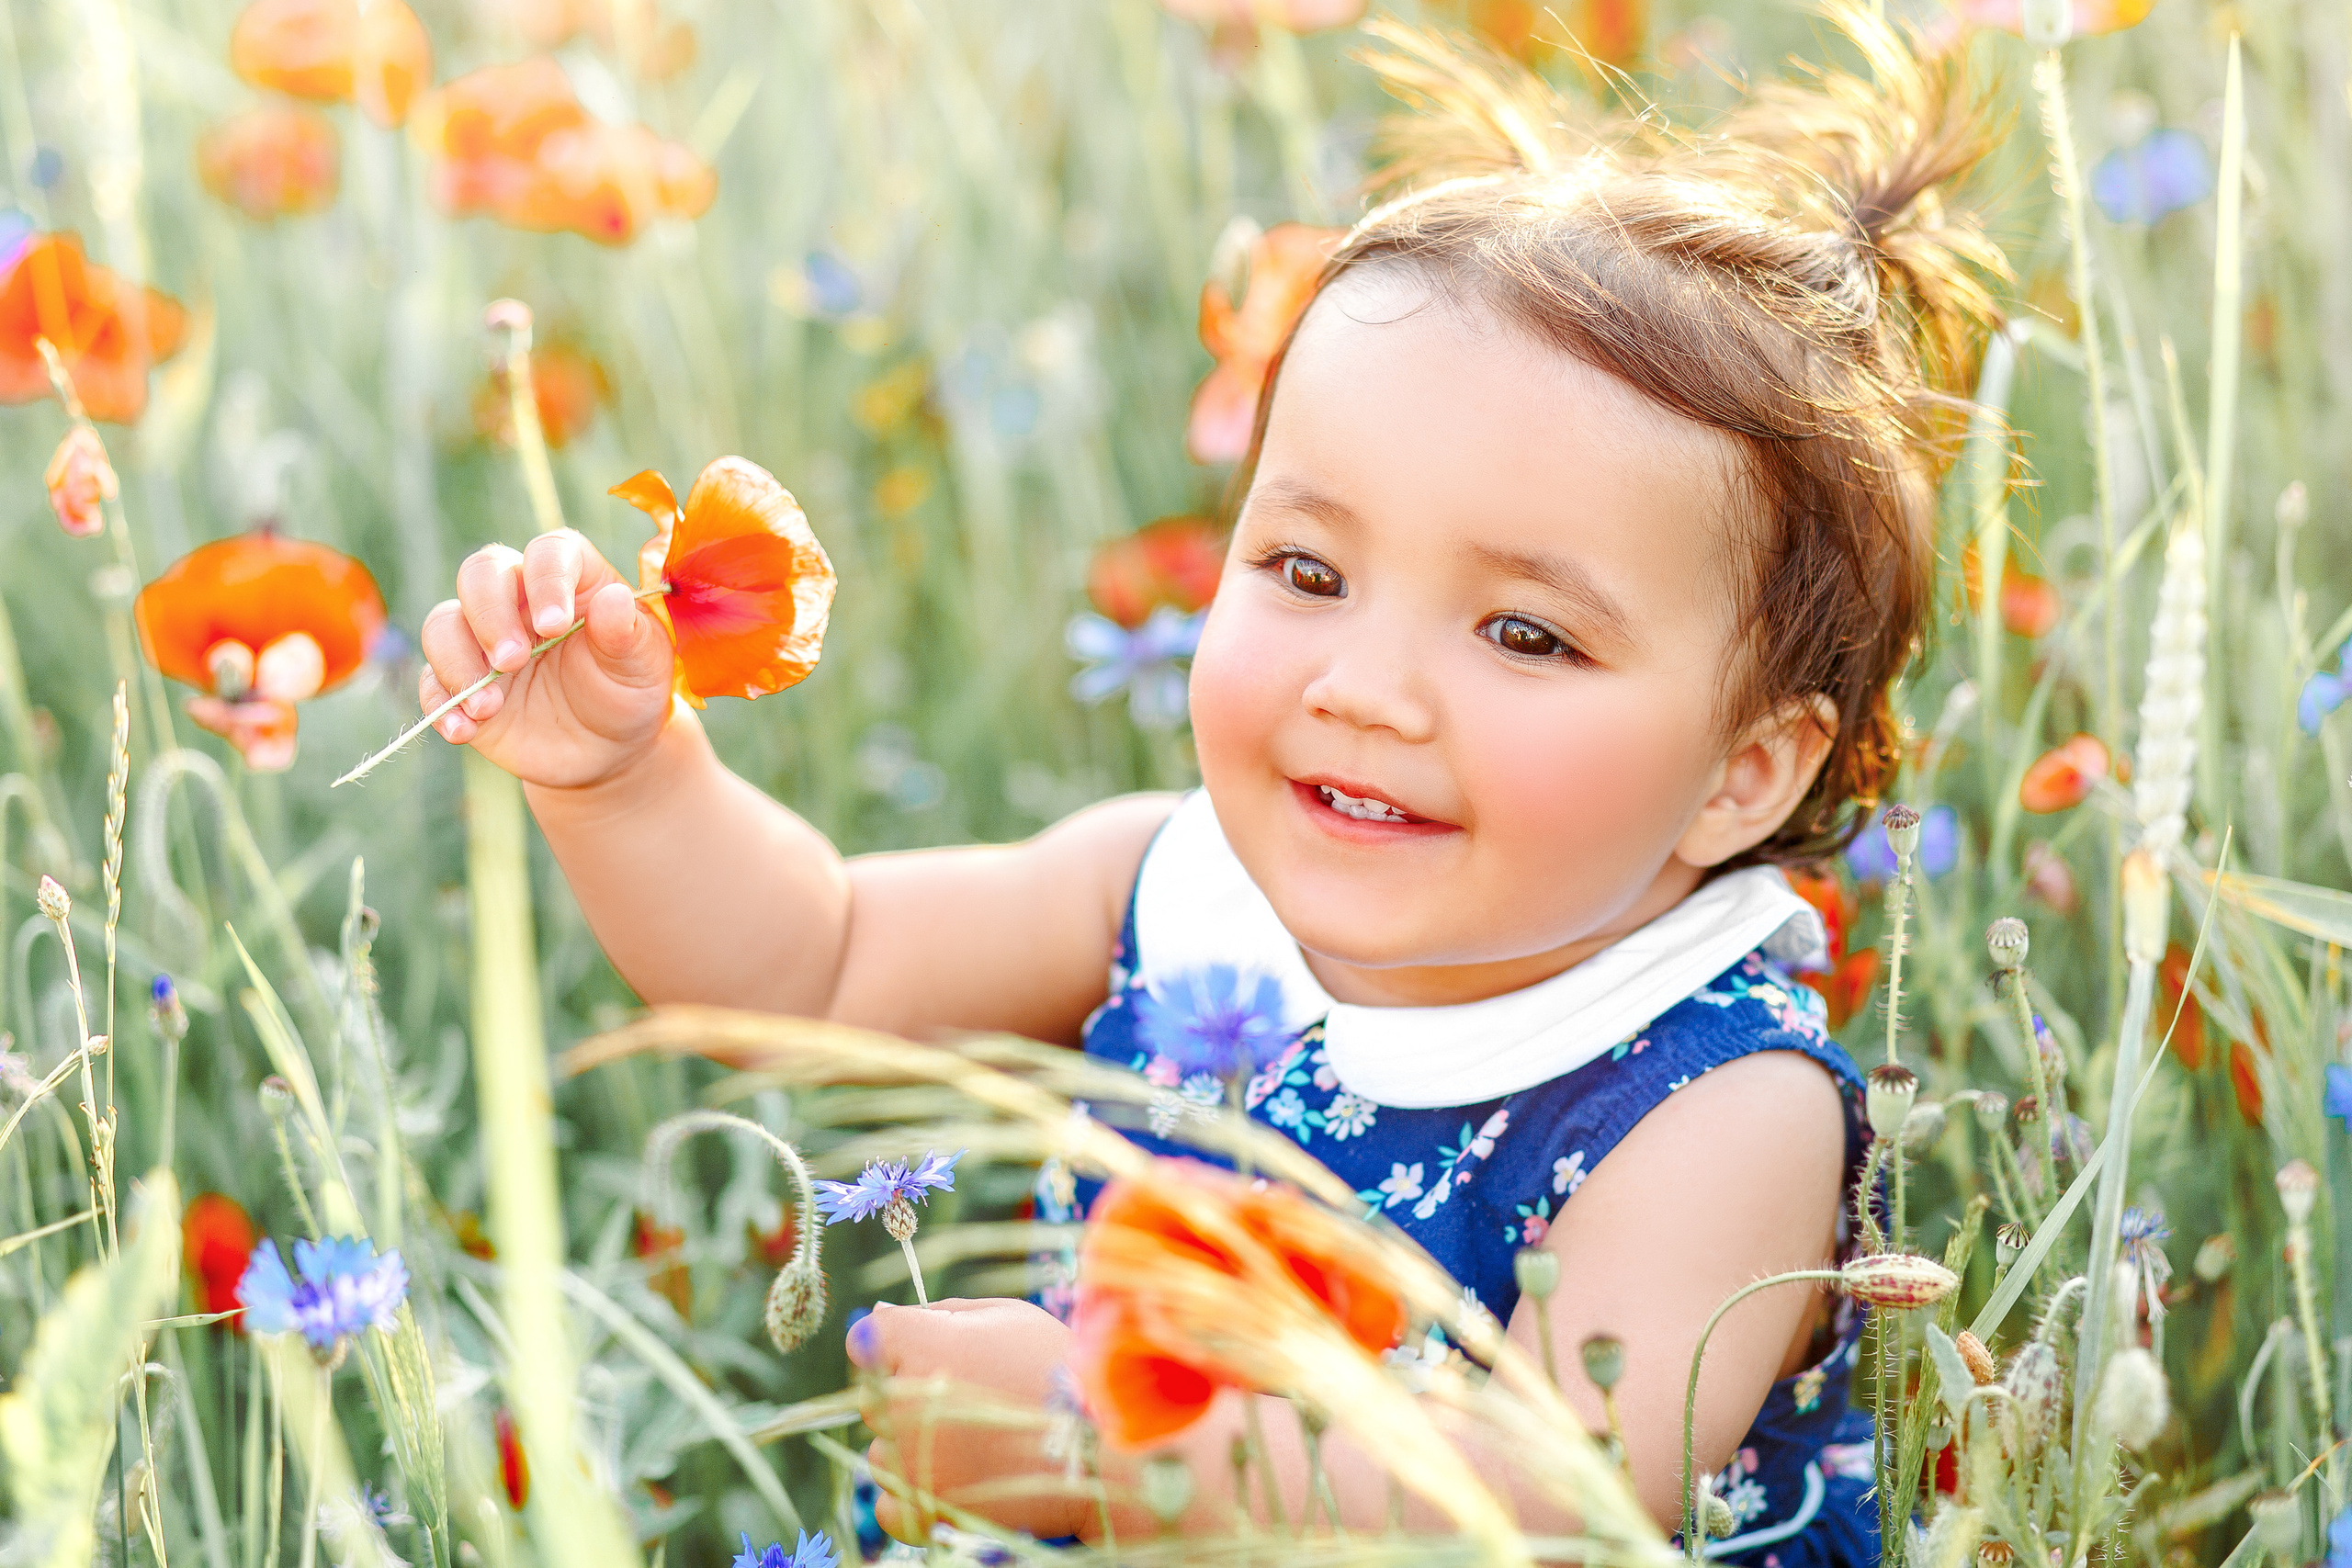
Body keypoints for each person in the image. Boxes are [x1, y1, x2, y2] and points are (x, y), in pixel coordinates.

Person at [414, 8, 2001, 1560]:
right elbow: (802, 965)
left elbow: (1557, 1500)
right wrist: (623, 778)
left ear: (1743, 775)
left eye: (1523, 631)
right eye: (1306, 567)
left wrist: (1103, 1443)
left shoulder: (1718, 1102)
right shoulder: (1166, 884)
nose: (1361, 685)